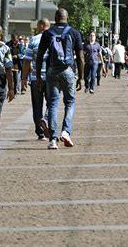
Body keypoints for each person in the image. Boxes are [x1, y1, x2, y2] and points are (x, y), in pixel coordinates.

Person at [36, 8, 84, 150]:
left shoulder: (47, 33)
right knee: (70, 102)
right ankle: (66, 131)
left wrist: (38, 76)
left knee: (52, 104)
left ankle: (52, 140)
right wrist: (81, 77)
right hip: (67, 70)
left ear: (55, 18)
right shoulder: (74, 32)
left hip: (51, 71)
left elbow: (39, 56)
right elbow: (80, 57)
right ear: (67, 17)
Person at [22, 18, 51, 141]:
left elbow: (27, 60)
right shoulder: (53, 39)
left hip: (35, 77)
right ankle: (47, 121)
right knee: (52, 103)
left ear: (41, 25)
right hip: (50, 77)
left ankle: (40, 132)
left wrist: (23, 78)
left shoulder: (34, 40)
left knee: (37, 105)